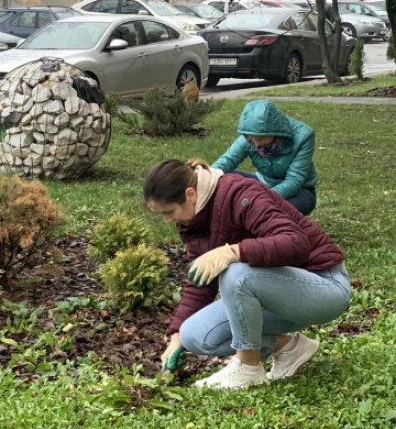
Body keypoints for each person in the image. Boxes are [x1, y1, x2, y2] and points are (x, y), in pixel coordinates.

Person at [145, 158, 350, 389]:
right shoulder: (192, 220)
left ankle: (248, 367)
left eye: (170, 211)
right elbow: (200, 278)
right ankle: (289, 348)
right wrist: (176, 336)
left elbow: (296, 242)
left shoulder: (240, 192)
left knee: (236, 272)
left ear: (191, 194)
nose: (168, 220)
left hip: (324, 287)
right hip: (276, 295)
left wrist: (234, 251)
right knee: (194, 334)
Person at [211, 100, 318, 215]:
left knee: (271, 209)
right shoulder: (250, 136)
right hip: (263, 183)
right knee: (223, 178)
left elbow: (294, 180)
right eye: (252, 140)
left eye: (260, 139)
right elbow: (227, 161)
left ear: (274, 132)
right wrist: (205, 178)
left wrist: (259, 198)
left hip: (299, 191)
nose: (256, 144)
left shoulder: (304, 137)